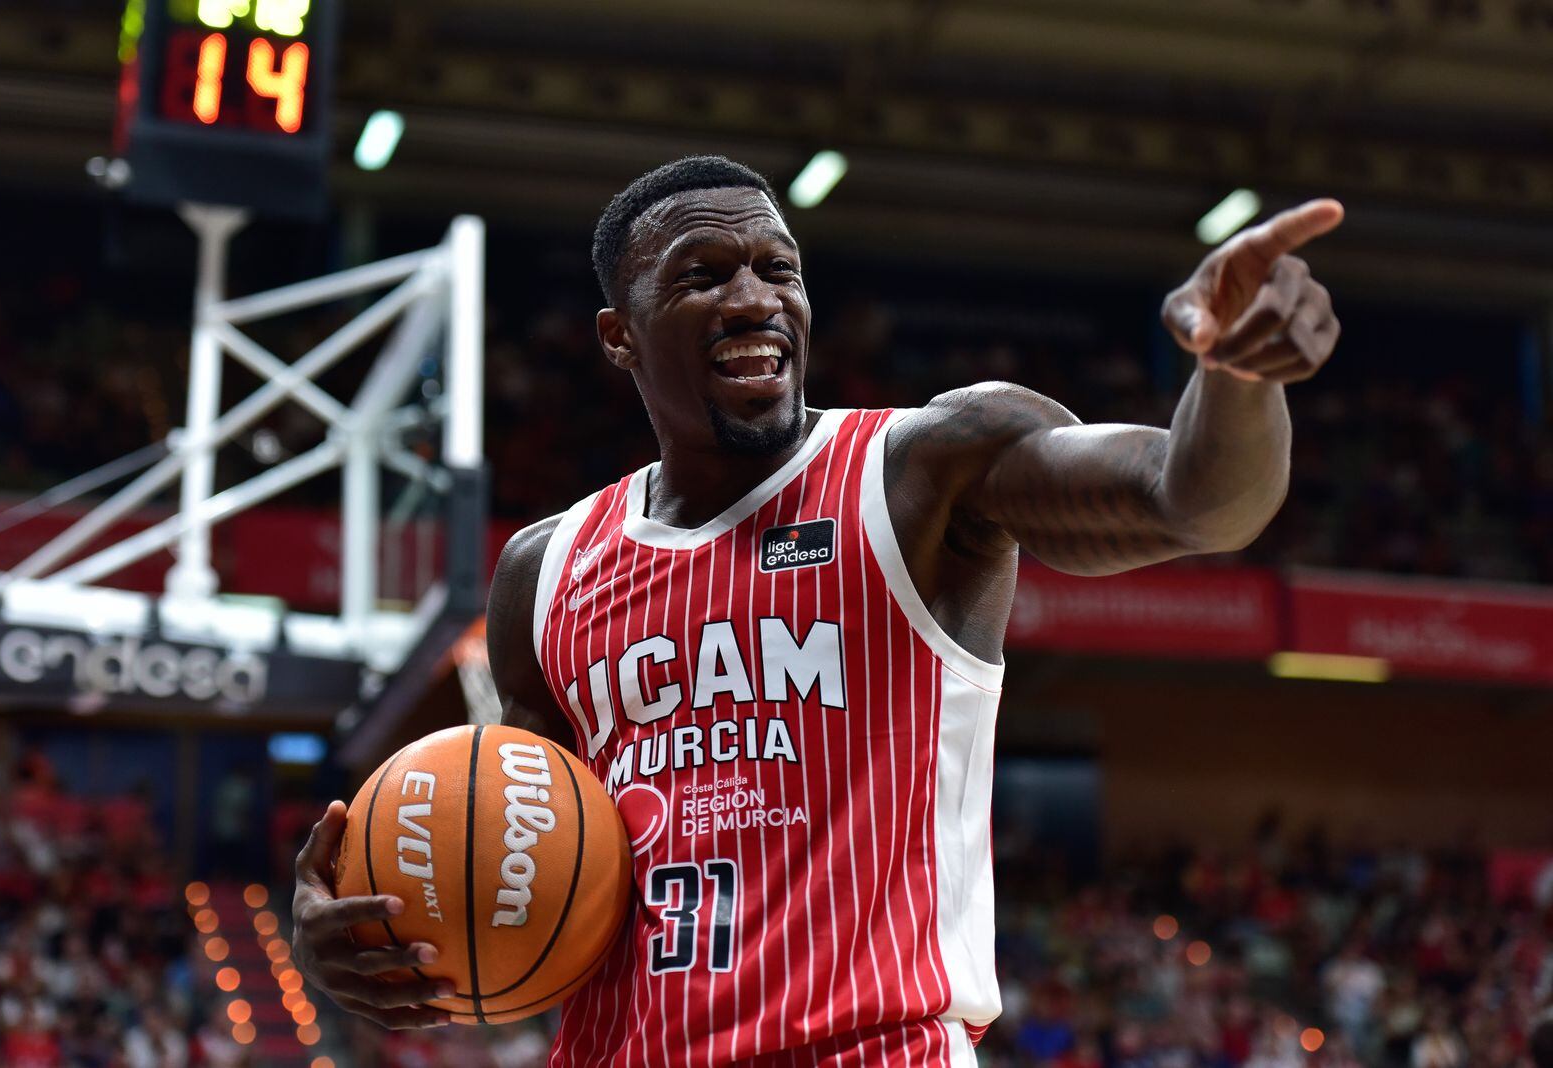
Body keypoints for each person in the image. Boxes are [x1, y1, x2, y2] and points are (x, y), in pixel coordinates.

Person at [291, 156, 1342, 1065]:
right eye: (703, 276)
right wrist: (366, 932)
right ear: (619, 336)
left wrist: (1235, 374)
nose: (754, 298)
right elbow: (511, 865)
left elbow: (1194, 501)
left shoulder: (927, 470)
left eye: (777, 270)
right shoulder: (544, 570)